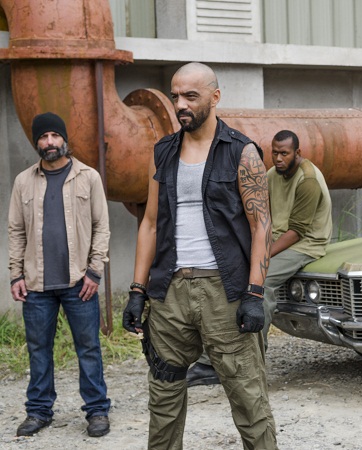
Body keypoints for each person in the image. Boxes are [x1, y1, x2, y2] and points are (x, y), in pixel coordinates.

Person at [122, 62, 278, 449]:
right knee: (163, 400)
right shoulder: (163, 152)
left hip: (224, 292)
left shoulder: (241, 152)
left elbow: (261, 226)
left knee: (249, 399)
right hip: (170, 292)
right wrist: (137, 290)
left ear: (215, 97)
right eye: (175, 96)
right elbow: (150, 223)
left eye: (191, 96)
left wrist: (254, 294)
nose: (180, 105)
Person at [187, 129, 333, 387]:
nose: (278, 158)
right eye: (274, 153)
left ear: (297, 153)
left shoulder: (307, 180)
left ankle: (253, 363)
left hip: (305, 244)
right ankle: (212, 362)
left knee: (259, 285)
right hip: (274, 238)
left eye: (284, 153)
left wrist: (259, 257)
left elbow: (297, 232)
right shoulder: (272, 175)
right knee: (227, 275)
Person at [8, 112, 111, 438]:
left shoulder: (88, 177)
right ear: (36, 142)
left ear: (64, 139)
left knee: (88, 348)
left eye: (54, 135)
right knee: (38, 350)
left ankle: (97, 410)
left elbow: (101, 227)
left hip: (79, 282)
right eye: (43, 137)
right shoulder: (23, 181)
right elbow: (16, 231)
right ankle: (39, 411)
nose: (49, 142)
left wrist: (95, 271)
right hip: (36, 285)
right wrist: (15, 275)